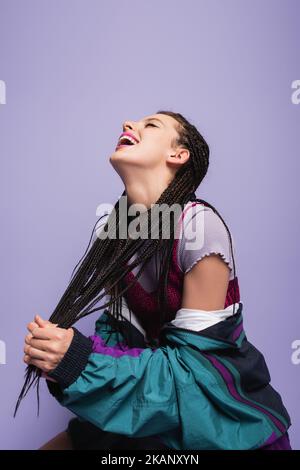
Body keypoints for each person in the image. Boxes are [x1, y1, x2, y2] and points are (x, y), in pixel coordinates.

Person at [21, 111, 292, 450]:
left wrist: (78, 360)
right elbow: (123, 346)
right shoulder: (118, 237)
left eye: (150, 125)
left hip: (220, 419)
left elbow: (195, 373)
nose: (127, 125)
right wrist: (58, 355)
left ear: (178, 155)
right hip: (153, 406)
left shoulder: (198, 227)